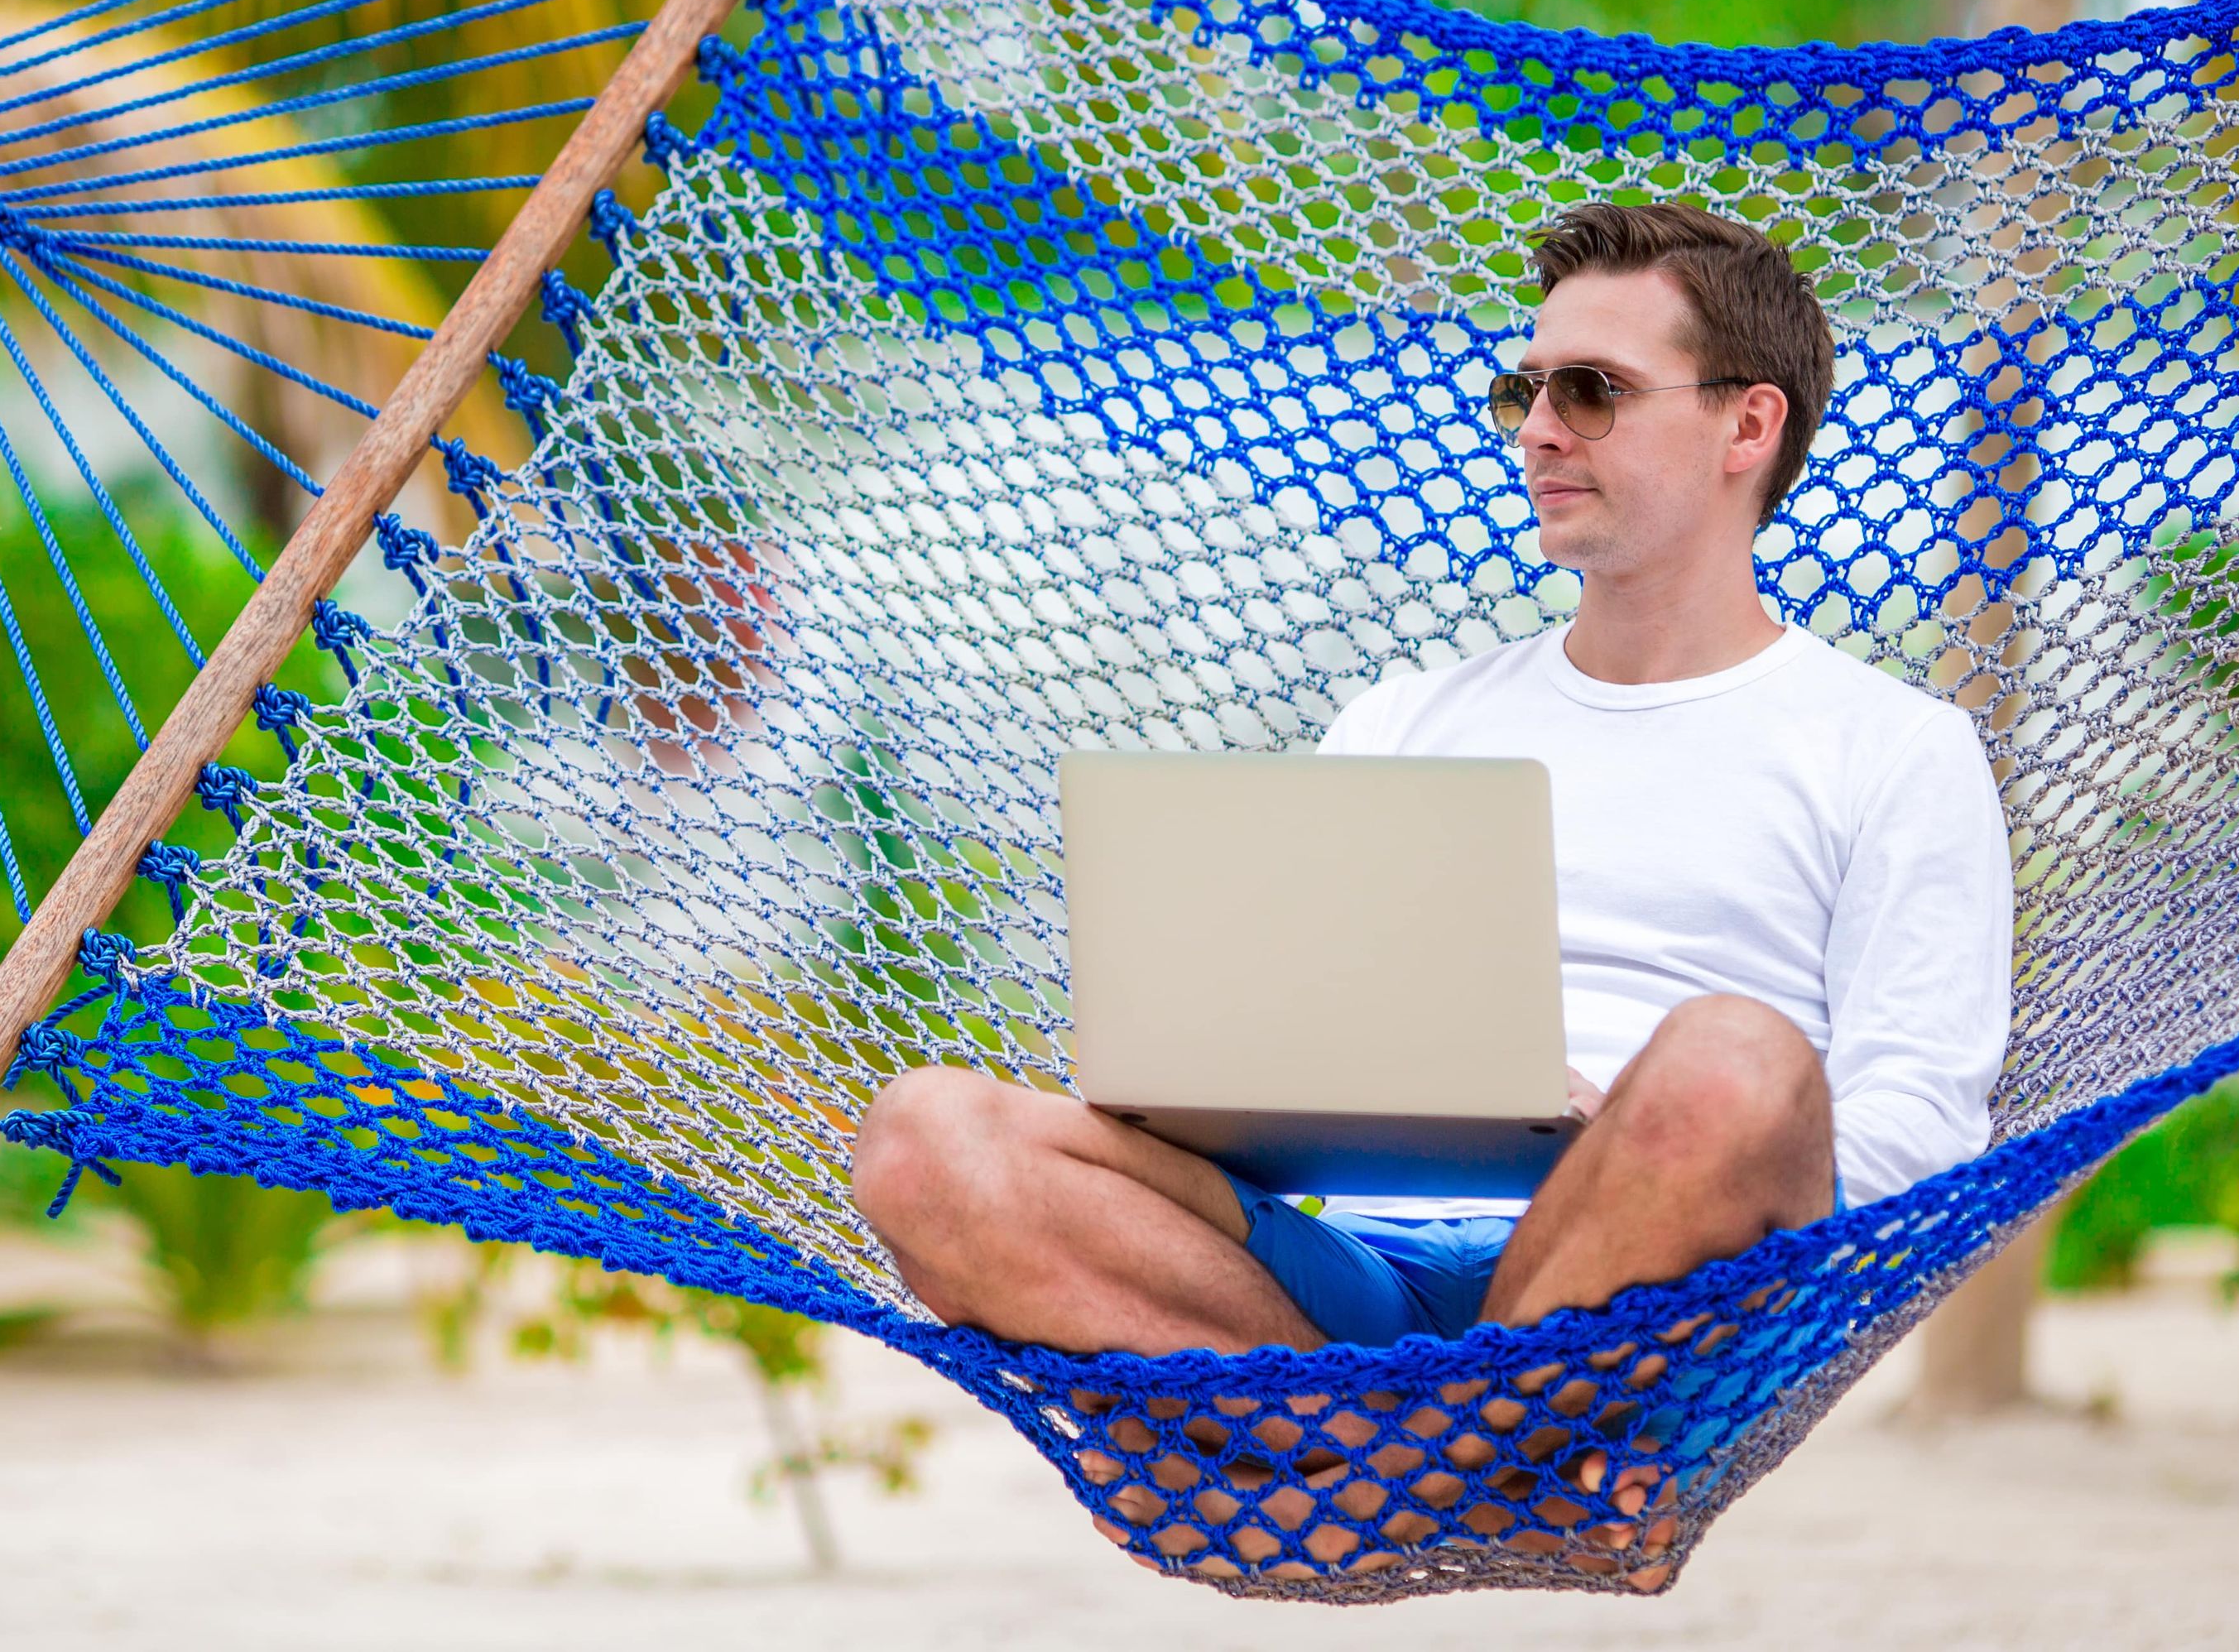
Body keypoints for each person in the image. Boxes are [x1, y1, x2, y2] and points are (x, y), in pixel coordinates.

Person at [849, 202, 2012, 1366]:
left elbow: (1915, 1141)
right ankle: (1432, 1450)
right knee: (923, 1138)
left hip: (1660, 1286)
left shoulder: (1893, 749)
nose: (1542, 431)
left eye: (1593, 392)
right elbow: (1287, 1028)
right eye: (1528, 393)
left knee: (1734, 1061)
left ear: (1747, 425)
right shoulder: (1408, 718)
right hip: (1352, 1275)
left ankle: (1406, 1457)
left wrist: (1638, 1136)